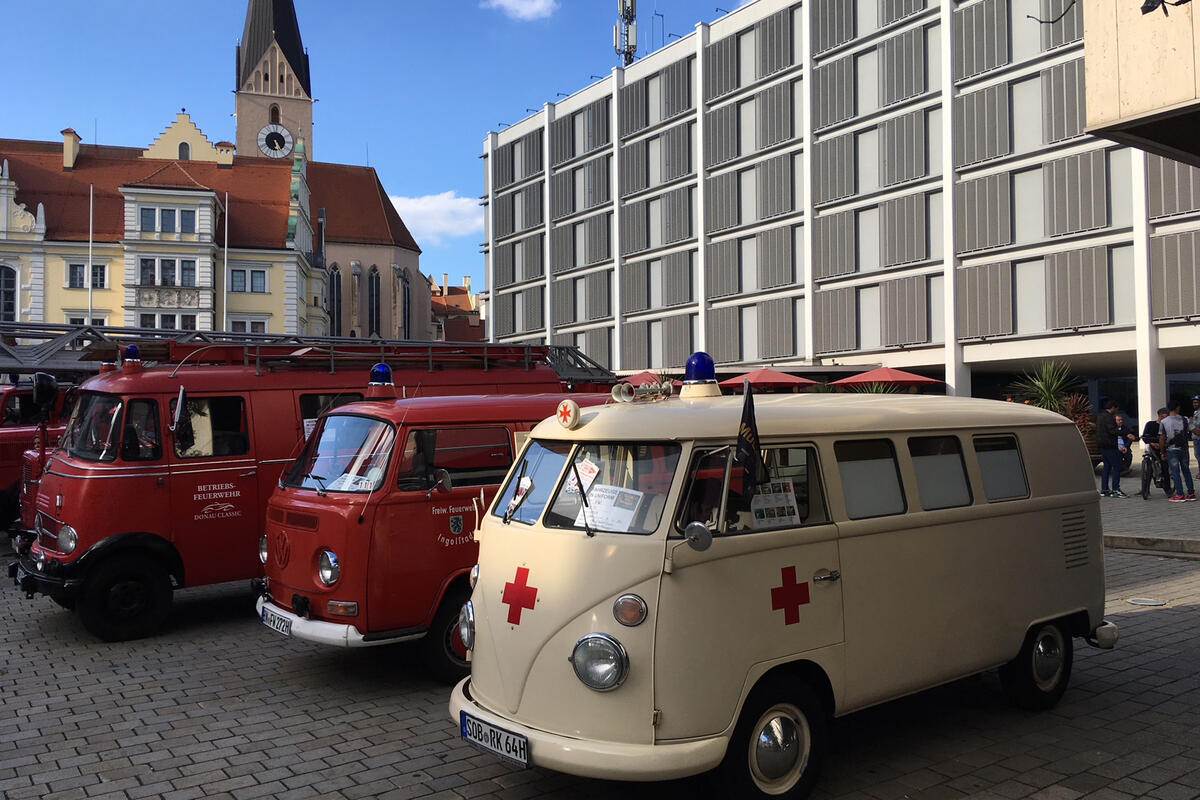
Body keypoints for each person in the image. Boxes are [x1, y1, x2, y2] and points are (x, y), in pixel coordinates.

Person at [1160, 401, 1196, 503]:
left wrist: (1162, 452)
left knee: (1175, 472)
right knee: (1186, 471)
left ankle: (1180, 494)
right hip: (1184, 449)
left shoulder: (1164, 422)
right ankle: (1191, 493)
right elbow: (1195, 431)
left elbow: (1162, 438)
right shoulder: (1185, 419)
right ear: (1177, 408)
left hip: (1171, 450)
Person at [1096, 399, 1125, 498]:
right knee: (1116, 467)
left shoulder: (1100, 416)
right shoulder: (1108, 418)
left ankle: (1104, 489)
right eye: (1116, 408)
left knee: (1106, 467)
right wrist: (1124, 432)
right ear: (1113, 408)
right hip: (1110, 445)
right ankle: (1115, 489)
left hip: (1103, 445)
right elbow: (1113, 431)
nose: (1116, 411)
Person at [1141, 408, 1172, 496]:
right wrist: (1151, 443)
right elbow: (1144, 436)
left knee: (1164, 466)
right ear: (1160, 415)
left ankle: (1167, 488)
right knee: (1149, 468)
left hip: (1163, 448)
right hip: (1152, 448)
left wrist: (1163, 445)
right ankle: (1145, 489)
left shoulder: (1167, 425)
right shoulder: (1150, 424)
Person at [1191, 395, 1200, 479]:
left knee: (1198, 455)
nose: (1194, 404)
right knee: (1197, 455)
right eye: (1194, 402)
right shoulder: (1196, 412)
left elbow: (1196, 426)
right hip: (1196, 438)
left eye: (1196, 402)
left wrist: (1190, 423)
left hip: (1198, 437)